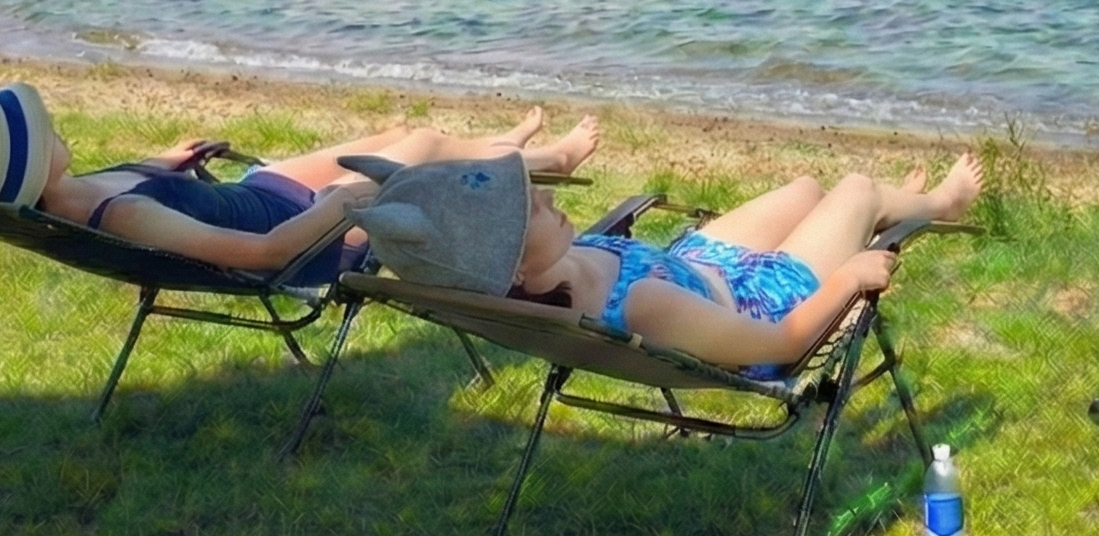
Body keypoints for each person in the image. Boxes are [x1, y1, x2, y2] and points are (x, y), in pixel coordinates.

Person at [0, 82, 600, 284]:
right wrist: (345, 205)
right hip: (299, 235)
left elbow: (154, 189)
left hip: (265, 193)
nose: (58, 132)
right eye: (44, 132)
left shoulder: (76, 191)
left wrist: (163, 161)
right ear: (27, 164)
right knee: (415, 151)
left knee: (402, 137)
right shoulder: (123, 221)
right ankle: (541, 162)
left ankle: (506, 151)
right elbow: (262, 258)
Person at [349, 150, 984, 370]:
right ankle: (938, 202)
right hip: (761, 299)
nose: (544, 195)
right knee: (854, 187)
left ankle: (875, 208)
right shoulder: (644, 311)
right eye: (531, 209)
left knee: (806, 192)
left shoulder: (551, 276)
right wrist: (849, 275)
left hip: (694, 265)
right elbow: (784, 344)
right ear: (512, 268)